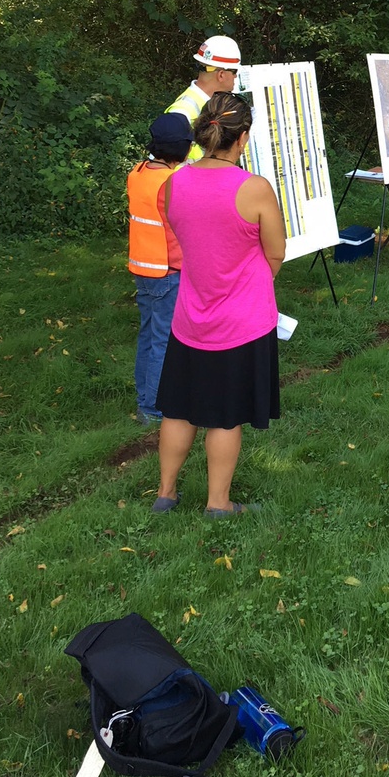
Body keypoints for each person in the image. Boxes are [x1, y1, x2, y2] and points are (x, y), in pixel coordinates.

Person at [153, 92, 285, 517]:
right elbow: (275, 253)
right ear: (242, 138)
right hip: (241, 322)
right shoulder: (255, 188)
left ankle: (166, 493)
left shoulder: (173, 183)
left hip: (189, 318)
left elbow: (184, 233)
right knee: (225, 417)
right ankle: (218, 503)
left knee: (179, 408)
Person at [126, 113, 193, 424]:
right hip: (168, 270)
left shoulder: (137, 173)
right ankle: (152, 408)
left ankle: (145, 396)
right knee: (163, 340)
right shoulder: (173, 182)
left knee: (148, 335)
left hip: (143, 268)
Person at [167, 35, 242, 161]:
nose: (235, 77)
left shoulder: (211, 104)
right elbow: (163, 167)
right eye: (234, 72)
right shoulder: (182, 112)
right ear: (221, 75)